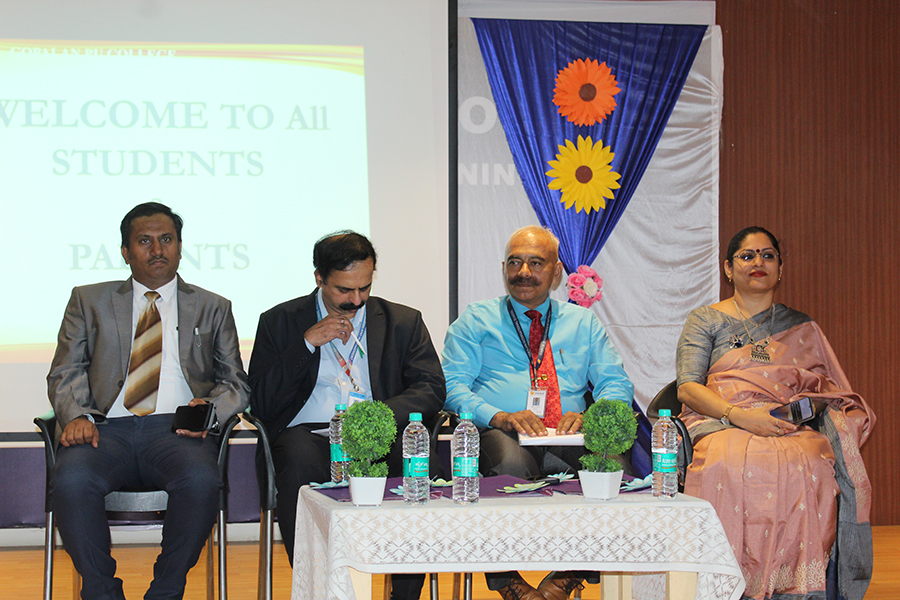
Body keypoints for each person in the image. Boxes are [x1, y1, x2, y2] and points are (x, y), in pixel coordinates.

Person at [47, 202, 250, 600]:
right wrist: (76, 414)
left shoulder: (213, 306)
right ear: (125, 252)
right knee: (71, 481)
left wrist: (208, 413)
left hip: (177, 432)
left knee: (201, 481)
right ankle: (102, 592)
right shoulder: (88, 300)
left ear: (180, 247)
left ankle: (166, 591)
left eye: (167, 240)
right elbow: (65, 370)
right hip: (104, 430)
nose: (157, 250)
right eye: (144, 241)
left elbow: (236, 384)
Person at [676, 226, 875, 600]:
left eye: (768, 255)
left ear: (780, 269)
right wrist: (739, 416)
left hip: (787, 425)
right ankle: (726, 582)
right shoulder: (705, 320)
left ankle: (796, 587)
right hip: (721, 421)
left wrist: (794, 413)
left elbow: (827, 391)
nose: (758, 262)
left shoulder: (801, 326)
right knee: (728, 460)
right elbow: (687, 388)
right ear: (728, 268)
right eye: (747, 256)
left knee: (810, 460)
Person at [248, 230, 445, 600]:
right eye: (344, 290)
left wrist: (377, 416)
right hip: (309, 436)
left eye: (364, 288)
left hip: (381, 433)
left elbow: (431, 387)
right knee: (296, 460)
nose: (356, 300)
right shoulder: (279, 321)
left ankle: (404, 594)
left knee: (420, 461)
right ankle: (321, 590)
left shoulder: (403, 321)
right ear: (319, 278)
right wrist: (306, 344)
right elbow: (260, 401)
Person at [442, 225, 634, 600]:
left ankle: (567, 576)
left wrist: (593, 417)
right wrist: (497, 415)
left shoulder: (583, 323)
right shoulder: (477, 319)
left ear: (556, 272)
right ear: (503, 269)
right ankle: (508, 582)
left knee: (613, 469)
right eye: (515, 262)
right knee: (509, 467)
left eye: (536, 262)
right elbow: (450, 386)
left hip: (570, 433)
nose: (524, 272)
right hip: (502, 431)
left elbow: (615, 383)